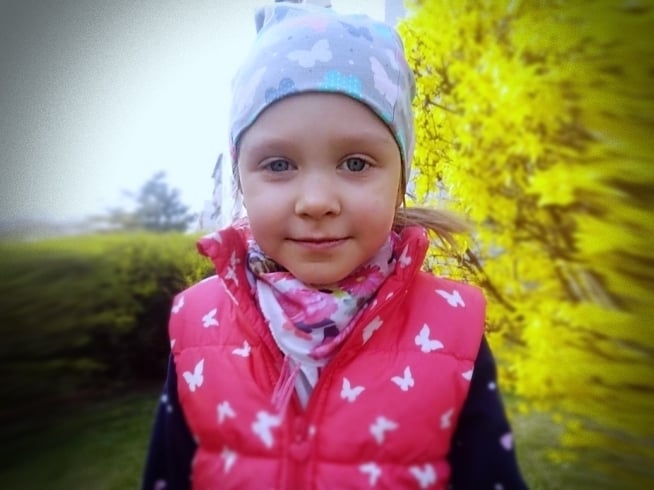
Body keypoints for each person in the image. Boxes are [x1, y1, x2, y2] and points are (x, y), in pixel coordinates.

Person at [142, 2, 528, 489]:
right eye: (279, 164)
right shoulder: (198, 324)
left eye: (356, 163)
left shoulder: (452, 329)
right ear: (240, 178)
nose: (317, 202)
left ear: (400, 179)